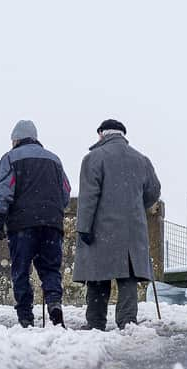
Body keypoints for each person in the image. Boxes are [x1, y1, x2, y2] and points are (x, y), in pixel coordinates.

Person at [73, 119, 161, 330]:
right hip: (132, 229)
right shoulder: (142, 160)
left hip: (101, 228)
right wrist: (134, 206)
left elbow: (88, 197)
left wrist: (84, 227)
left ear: (102, 134)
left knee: (97, 277)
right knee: (127, 277)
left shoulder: (93, 158)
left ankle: (95, 323)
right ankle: (127, 321)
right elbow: (153, 192)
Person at [0, 120, 71, 328]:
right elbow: (65, 192)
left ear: (16, 139)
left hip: (22, 225)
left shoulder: (9, 158)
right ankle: (54, 303)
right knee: (50, 269)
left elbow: (5, 190)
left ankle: (25, 316)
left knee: (21, 270)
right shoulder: (54, 160)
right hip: (52, 224)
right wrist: (52, 211)